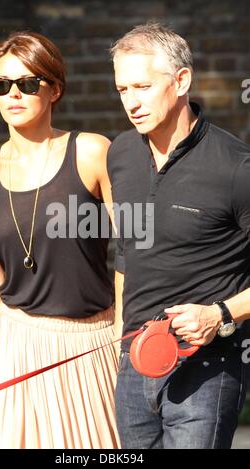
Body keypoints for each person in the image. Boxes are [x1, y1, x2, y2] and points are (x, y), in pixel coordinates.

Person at [0, 30, 120, 449]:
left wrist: (124, 337)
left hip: (93, 345)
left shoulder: (91, 152)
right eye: (1, 85)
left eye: (28, 84)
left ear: (55, 90)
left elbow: (135, 250)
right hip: (15, 349)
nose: (13, 94)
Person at [107, 21, 250, 449]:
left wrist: (220, 314)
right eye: (122, 90)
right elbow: (126, 256)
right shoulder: (121, 154)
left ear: (182, 80)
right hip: (135, 362)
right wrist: (120, 348)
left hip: (206, 367)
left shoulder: (236, 167)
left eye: (142, 86)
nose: (131, 102)